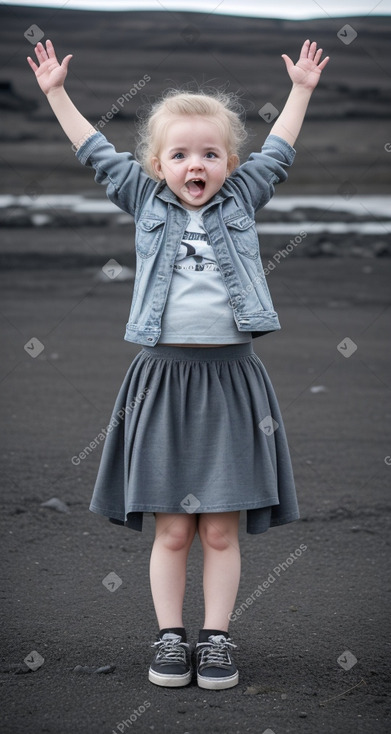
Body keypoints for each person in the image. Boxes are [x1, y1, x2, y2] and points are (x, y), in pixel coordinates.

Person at [27, 37, 329, 690]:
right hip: (161, 380)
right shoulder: (145, 202)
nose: (197, 165)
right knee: (171, 529)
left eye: (210, 154)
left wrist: (301, 88)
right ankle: (170, 638)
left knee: (219, 531)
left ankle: (216, 639)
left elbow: (279, 148)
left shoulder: (243, 197)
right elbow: (95, 153)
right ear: (158, 165)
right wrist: (56, 93)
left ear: (229, 163)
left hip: (231, 382)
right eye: (181, 154)